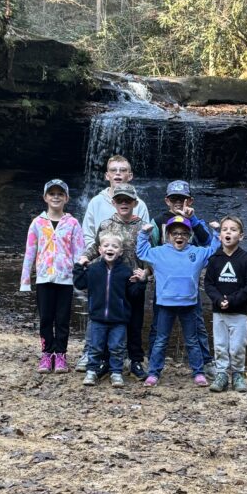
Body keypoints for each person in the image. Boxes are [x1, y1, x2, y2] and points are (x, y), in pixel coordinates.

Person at [77, 155, 150, 373]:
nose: (118, 174)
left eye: (123, 170)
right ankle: (94, 356)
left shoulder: (142, 214)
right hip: (105, 273)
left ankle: (134, 359)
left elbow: (149, 247)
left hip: (133, 277)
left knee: (134, 319)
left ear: (130, 175)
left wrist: (147, 271)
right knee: (100, 316)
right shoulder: (102, 213)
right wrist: (91, 261)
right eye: (114, 170)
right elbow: (91, 239)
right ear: (107, 175)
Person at [137, 215, 219, 387]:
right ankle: (153, 373)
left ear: (189, 236)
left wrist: (217, 231)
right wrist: (144, 234)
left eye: (183, 233)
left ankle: (198, 372)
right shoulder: (158, 253)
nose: (179, 236)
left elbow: (214, 249)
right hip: (165, 305)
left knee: (192, 340)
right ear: (168, 236)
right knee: (160, 340)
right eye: (174, 233)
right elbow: (141, 251)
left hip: (189, 304)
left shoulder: (196, 252)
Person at [147, 180, 215, 377]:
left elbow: (207, 242)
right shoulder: (157, 220)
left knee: (197, 325)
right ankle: (153, 363)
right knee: (157, 325)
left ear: (190, 200)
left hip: (189, 286)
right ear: (167, 200)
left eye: (183, 199)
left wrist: (192, 220)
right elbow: (148, 248)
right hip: (163, 285)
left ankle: (205, 362)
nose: (179, 203)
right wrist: (149, 272)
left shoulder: (195, 221)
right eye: (175, 199)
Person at [19, 179, 85, 373]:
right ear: (45, 197)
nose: (56, 197)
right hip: (44, 278)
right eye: (52, 194)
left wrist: (80, 278)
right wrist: (25, 281)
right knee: (46, 318)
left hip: (66, 279)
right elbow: (30, 252)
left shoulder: (72, 223)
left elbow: (79, 252)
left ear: (66, 198)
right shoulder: (37, 223)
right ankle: (47, 354)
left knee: (63, 319)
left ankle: (61, 355)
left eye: (60, 194)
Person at [73, 232, 143, 389]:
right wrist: (79, 266)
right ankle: (92, 371)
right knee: (95, 346)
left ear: (120, 252)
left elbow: (133, 294)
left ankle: (116, 372)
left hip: (119, 320)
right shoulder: (93, 270)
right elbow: (79, 283)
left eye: (114, 246)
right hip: (97, 318)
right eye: (106, 246)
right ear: (99, 250)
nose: (110, 248)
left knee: (117, 347)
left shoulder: (125, 271)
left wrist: (140, 281)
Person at [204, 216, 247, 393]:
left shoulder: (245, 259)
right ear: (219, 236)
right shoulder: (215, 259)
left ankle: (237, 374)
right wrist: (219, 300)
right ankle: (221, 374)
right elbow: (209, 284)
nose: (228, 232)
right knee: (220, 345)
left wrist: (233, 300)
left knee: (237, 346)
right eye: (225, 229)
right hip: (219, 312)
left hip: (239, 312)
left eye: (233, 229)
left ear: (241, 236)